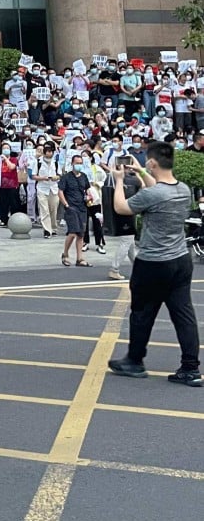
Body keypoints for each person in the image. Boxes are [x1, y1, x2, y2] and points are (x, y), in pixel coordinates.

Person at [108, 143, 201, 387]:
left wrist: (118, 180)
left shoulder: (153, 194)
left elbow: (121, 207)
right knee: (184, 314)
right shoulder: (183, 189)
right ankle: (191, 368)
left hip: (153, 262)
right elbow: (158, 189)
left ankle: (135, 361)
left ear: (153, 163)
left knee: (142, 313)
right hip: (180, 259)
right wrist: (140, 172)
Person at [58, 154, 91, 267]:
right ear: (72, 163)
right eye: (77, 163)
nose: (78, 165)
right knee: (72, 232)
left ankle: (80, 258)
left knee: (81, 234)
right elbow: (60, 191)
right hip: (71, 207)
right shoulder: (66, 177)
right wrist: (66, 204)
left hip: (82, 207)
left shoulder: (84, 176)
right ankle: (65, 254)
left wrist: (89, 197)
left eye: (80, 163)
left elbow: (87, 190)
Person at [108, 169, 141, 280]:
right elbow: (144, 187)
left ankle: (139, 268)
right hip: (124, 213)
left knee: (130, 243)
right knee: (126, 241)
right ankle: (114, 269)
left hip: (126, 212)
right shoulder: (118, 179)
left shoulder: (122, 179)